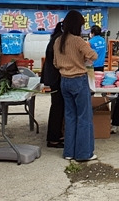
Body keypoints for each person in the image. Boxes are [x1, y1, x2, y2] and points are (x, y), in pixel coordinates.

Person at [53, 10, 98, 161]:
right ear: (78, 25)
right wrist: (83, 57)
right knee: (84, 117)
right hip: (78, 79)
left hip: (64, 80)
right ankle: (84, 153)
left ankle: (69, 152)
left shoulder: (58, 40)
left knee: (70, 116)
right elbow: (94, 56)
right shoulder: (78, 41)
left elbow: (54, 63)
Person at [42, 22, 65, 148]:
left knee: (58, 107)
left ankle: (57, 135)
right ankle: (53, 139)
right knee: (57, 108)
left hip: (53, 78)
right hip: (56, 79)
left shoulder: (56, 37)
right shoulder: (59, 40)